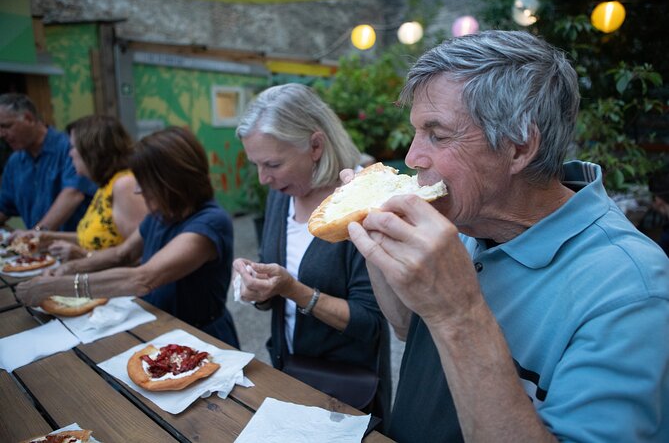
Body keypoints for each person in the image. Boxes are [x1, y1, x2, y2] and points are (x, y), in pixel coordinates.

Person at [344, 30, 669, 442]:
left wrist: (460, 313)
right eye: (415, 132)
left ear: (518, 147)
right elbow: (407, 324)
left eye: (437, 135)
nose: (411, 157)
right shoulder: (465, 219)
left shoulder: (631, 290)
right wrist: (374, 236)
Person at [232, 83, 391, 420]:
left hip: (346, 395)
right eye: (256, 165)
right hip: (288, 373)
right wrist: (258, 286)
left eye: (272, 164)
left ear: (315, 145)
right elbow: (279, 282)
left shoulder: (361, 202)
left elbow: (371, 323)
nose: (263, 178)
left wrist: (293, 289)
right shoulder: (283, 193)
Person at [16, 126, 239, 347]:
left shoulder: (210, 222)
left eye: (144, 182)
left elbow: (142, 279)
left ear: (169, 180)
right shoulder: (163, 213)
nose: (138, 191)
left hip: (202, 338)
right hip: (161, 326)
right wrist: (71, 268)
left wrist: (54, 287)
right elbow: (121, 254)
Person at [15, 115, 148, 261]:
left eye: (73, 147)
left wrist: (83, 255)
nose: (70, 153)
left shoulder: (124, 185)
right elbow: (95, 239)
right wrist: (47, 236)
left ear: (92, 151)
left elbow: (140, 253)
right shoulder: (107, 184)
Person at [0, 93, 96, 231]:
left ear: (28, 118)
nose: (1, 134)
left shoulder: (69, 148)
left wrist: (35, 235)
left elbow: (73, 194)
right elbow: (5, 207)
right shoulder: (15, 162)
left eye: (6, 126)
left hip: (75, 246)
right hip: (39, 247)